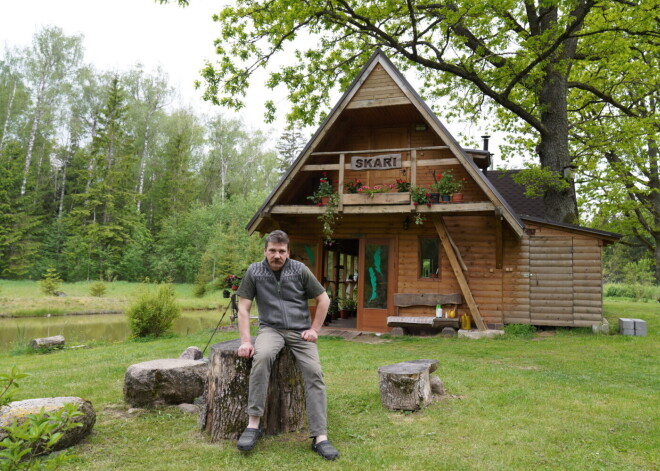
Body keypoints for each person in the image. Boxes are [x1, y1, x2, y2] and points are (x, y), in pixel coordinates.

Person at [235, 230, 339, 461]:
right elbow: (243, 308)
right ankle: (253, 425)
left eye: (282, 251)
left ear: (288, 252)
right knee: (261, 359)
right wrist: (245, 341)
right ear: (265, 251)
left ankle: (320, 436)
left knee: (314, 372)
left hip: (299, 331)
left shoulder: (300, 270)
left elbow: (323, 299)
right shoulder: (254, 271)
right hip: (270, 329)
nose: (277, 255)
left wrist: (314, 329)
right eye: (272, 250)